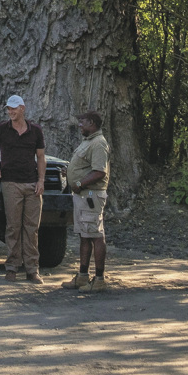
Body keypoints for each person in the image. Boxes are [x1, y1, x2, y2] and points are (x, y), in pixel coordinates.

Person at [0, 94, 46, 282]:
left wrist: (41, 180)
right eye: (8, 109)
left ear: (22, 108)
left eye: (14, 108)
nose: (10, 112)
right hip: (10, 183)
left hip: (32, 183)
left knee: (32, 228)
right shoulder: (1, 129)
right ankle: (12, 267)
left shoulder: (35, 131)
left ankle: (32, 269)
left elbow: (41, 157)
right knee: (13, 227)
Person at [62, 110, 111, 290]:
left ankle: (99, 280)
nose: (79, 125)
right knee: (85, 235)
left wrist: (79, 183)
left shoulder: (99, 143)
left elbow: (100, 172)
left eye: (82, 122)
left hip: (91, 196)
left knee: (96, 235)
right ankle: (83, 276)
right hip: (83, 196)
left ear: (92, 123)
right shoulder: (88, 141)